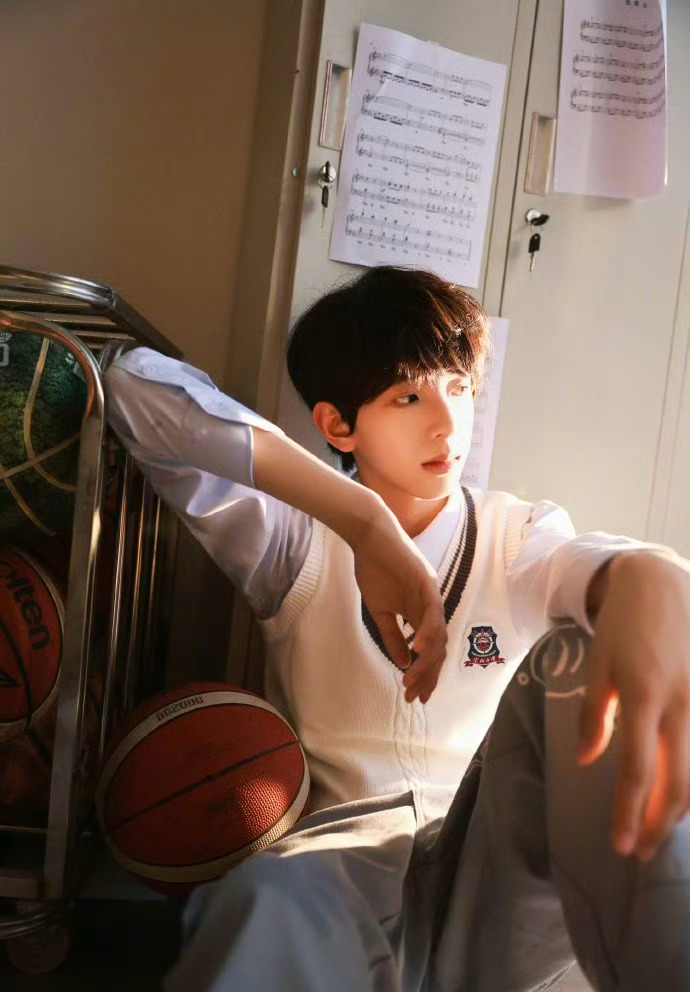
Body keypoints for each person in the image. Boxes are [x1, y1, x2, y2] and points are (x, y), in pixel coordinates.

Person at [104, 267, 690, 992]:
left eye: (458, 388)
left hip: (496, 866)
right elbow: (132, 385)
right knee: (259, 901)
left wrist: (645, 576)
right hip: (340, 861)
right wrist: (362, 522)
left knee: (575, 656)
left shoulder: (518, 535)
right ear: (338, 426)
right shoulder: (293, 538)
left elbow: (588, 567)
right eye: (408, 397)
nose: (447, 423)